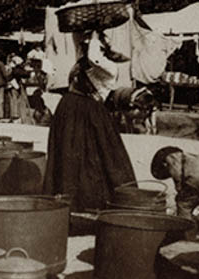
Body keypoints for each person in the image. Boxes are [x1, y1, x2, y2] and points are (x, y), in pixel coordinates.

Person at [42, 30, 136, 210]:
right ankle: (65, 195)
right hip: (70, 107)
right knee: (69, 152)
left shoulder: (109, 67)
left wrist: (94, 35)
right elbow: (86, 52)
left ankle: (90, 199)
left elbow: (94, 58)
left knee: (92, 154)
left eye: (93, 45)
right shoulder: (81, 63)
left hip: (89, 110)